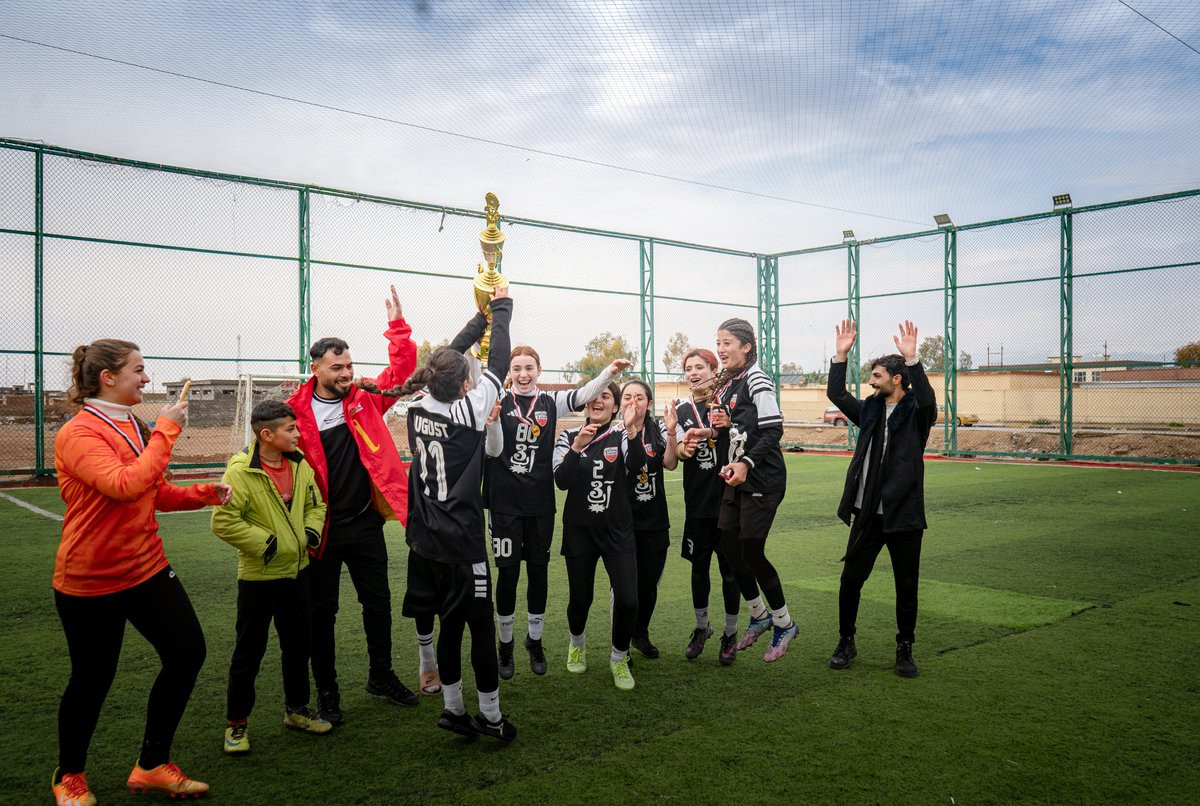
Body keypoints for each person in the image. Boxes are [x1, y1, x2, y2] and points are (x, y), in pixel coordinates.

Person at [51, 339, 232, 805]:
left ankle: (152, 764)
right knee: (92, 680)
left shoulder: (134, 423)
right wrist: (167, 431)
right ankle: (69, 776)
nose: (146, 378)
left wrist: (203, 493)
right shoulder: (79, 433)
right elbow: (125, 485)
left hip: (147, 567)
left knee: (187, 653)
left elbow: (153, 492)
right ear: (108, 377)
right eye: (138, 369)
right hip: (91, 580)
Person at [286, 285, 426, 725]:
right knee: (321, 615)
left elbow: (403, 371)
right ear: (315, 368)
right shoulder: (294, 412)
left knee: (378, 604)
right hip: (320, 530)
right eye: (337, 367)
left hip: (365, 524)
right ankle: (327, 694)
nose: (347, 372)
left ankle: (380, 676)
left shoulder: (365, 397)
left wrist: (397, 326)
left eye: (349, 365)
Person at [399, 288, 517, 741]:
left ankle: (452, 709)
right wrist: (502, 308)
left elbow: (447, 359)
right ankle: (491, 717)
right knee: (480, 629)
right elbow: (499, 362)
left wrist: (481, 317)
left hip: (425, 539)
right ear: (465, 385)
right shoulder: (469, 410)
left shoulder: (417, 405)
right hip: (461, 542)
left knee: (449, 624)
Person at [484, 348, 630, 679]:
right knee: (507, 575)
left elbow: (586, 393)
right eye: (517, 368)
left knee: (538, 573)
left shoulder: (551, 402)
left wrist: (609, 372)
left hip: (539, 505)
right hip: (504, 505)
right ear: (510, 372)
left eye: (529, 368)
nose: (523, 374)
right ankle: (505, 645)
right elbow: (492, 449)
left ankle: (534, 641)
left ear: (539, 370)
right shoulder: (497, 400)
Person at [211, 399, 332, 755]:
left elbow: (317, 505)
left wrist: (308, 535)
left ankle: (297, 711)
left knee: (298, 646)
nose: (298, 434)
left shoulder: (300, 464)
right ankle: (236, 725)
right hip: (258, 579)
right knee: (249, 652)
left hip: (298, 574)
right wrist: (269, 545)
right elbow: (223, 521)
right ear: (266, 434)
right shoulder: (239, 471)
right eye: (290, 429)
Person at [825, 319, 936, 677]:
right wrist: (840, 356)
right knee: (850, 580)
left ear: (897, 379)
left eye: (876, 376)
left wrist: (913, 359)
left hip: (904, 515)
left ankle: (905, 648)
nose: (871, 382)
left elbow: (928, 400)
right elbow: (836, 395)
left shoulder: (917, 413)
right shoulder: (870, 408)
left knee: (906, 586)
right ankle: (846, 641)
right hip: (866, 513)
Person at [683, 318, 797, 663]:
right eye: (718, 342)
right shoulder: (732, 382)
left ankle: (784, 623)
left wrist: (746, 462)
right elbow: (741, 428)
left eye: (727, 343)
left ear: (746, 347)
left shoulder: (757, 378)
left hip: (762, 478)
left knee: (750, 550)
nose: (721, 349)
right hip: (738, 476)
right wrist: (711, 432)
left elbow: (773, 430)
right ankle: (759, 615)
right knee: (730, 547)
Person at [553, 382, 645, 690]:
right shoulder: (568, 436)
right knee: (581, 598)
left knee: (628, 600)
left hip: (617, 530)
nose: (598, 401)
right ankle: (577, 644)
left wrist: (631, 431)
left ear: (615, 406)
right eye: (593, 396)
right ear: (584, 403)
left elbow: (637, 466)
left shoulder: (621, 435)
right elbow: (562, 481)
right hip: (579, 531)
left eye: (605, 396)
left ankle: (618, 658)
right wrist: (577, 448)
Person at [674, 348, 742, 664]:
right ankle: (702, 627)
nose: (693, 373)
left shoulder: (728, 403)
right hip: (697, 504)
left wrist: (730, 422)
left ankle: (730, 633)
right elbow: (677, 451)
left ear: (714, 371)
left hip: (728, 503)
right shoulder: (680, 410)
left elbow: (746, 435)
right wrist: (683, 449)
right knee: (699, 570)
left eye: (700, 367)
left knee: (730, 573)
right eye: (688, 368)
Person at [620, 379, 678, 659]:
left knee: (649, 584)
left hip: (655, 520)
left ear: (649, 403)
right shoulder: (614, 432)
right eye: (627, 397)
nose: (633, 402)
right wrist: (629, 429)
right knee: (624, 587)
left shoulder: (657, 429)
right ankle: (620, 644)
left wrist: (672, 431)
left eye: (639, 397)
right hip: (624, 522)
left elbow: (670, 463)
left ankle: (640, 633)